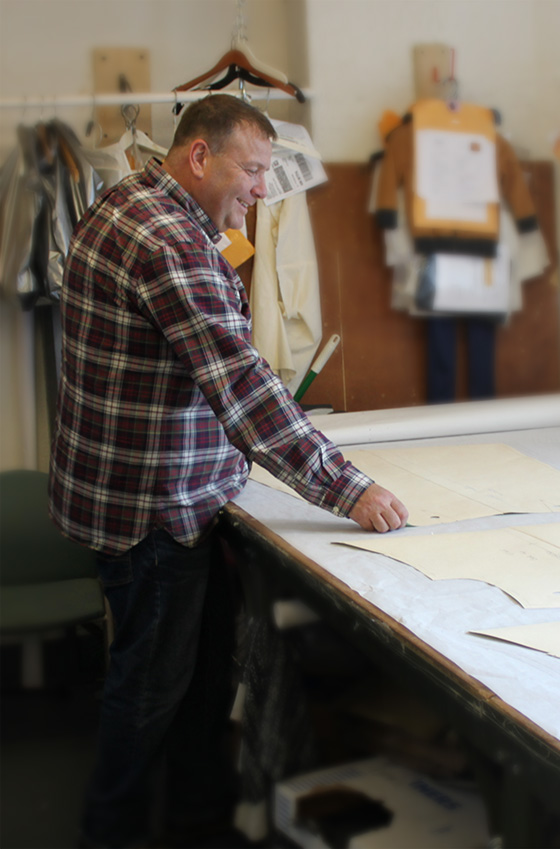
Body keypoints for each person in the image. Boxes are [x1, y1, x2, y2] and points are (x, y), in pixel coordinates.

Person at [49, 94, 408, 849]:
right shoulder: (168, 240)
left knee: (197, 685)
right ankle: (107, 833)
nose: (260, 188)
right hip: (151, 515)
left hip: (158, 500)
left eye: (267, 173)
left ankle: (194, 823)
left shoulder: (140, 201)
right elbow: (242, 387)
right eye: (250, 170)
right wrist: (351, 488)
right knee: (148, 695)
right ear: (199, 157)